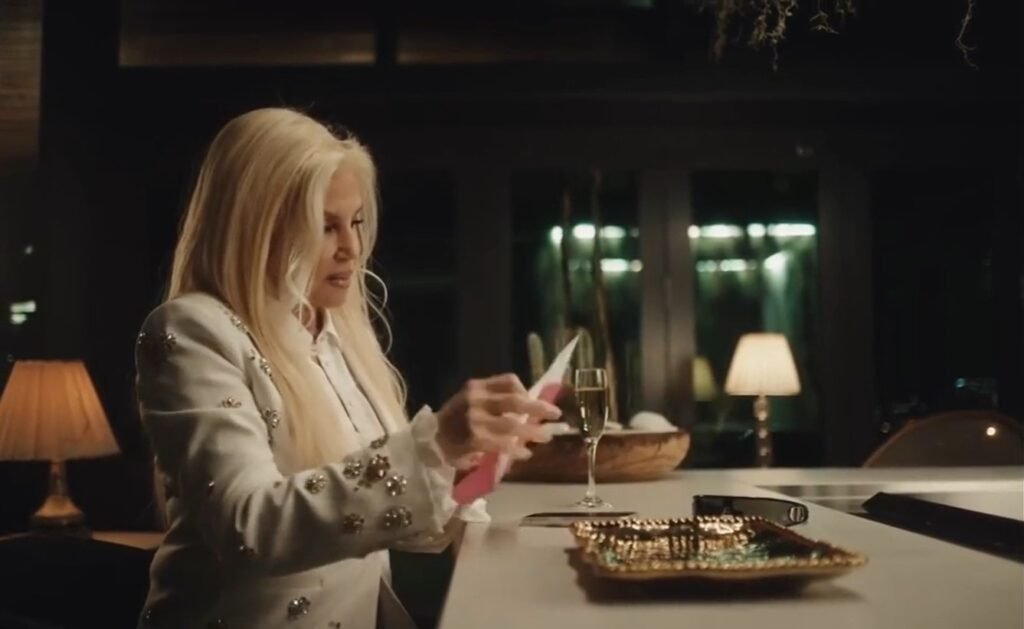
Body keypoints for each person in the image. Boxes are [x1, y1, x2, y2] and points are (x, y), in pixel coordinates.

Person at [133, 107, 560, 629]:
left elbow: (385, 519)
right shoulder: (194, 330)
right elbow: (250, 528)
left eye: (355, 222)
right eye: (325, 226)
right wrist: (431, 446)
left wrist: (458, 470)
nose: (352, 248)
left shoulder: (336, 330)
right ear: (256, 227)